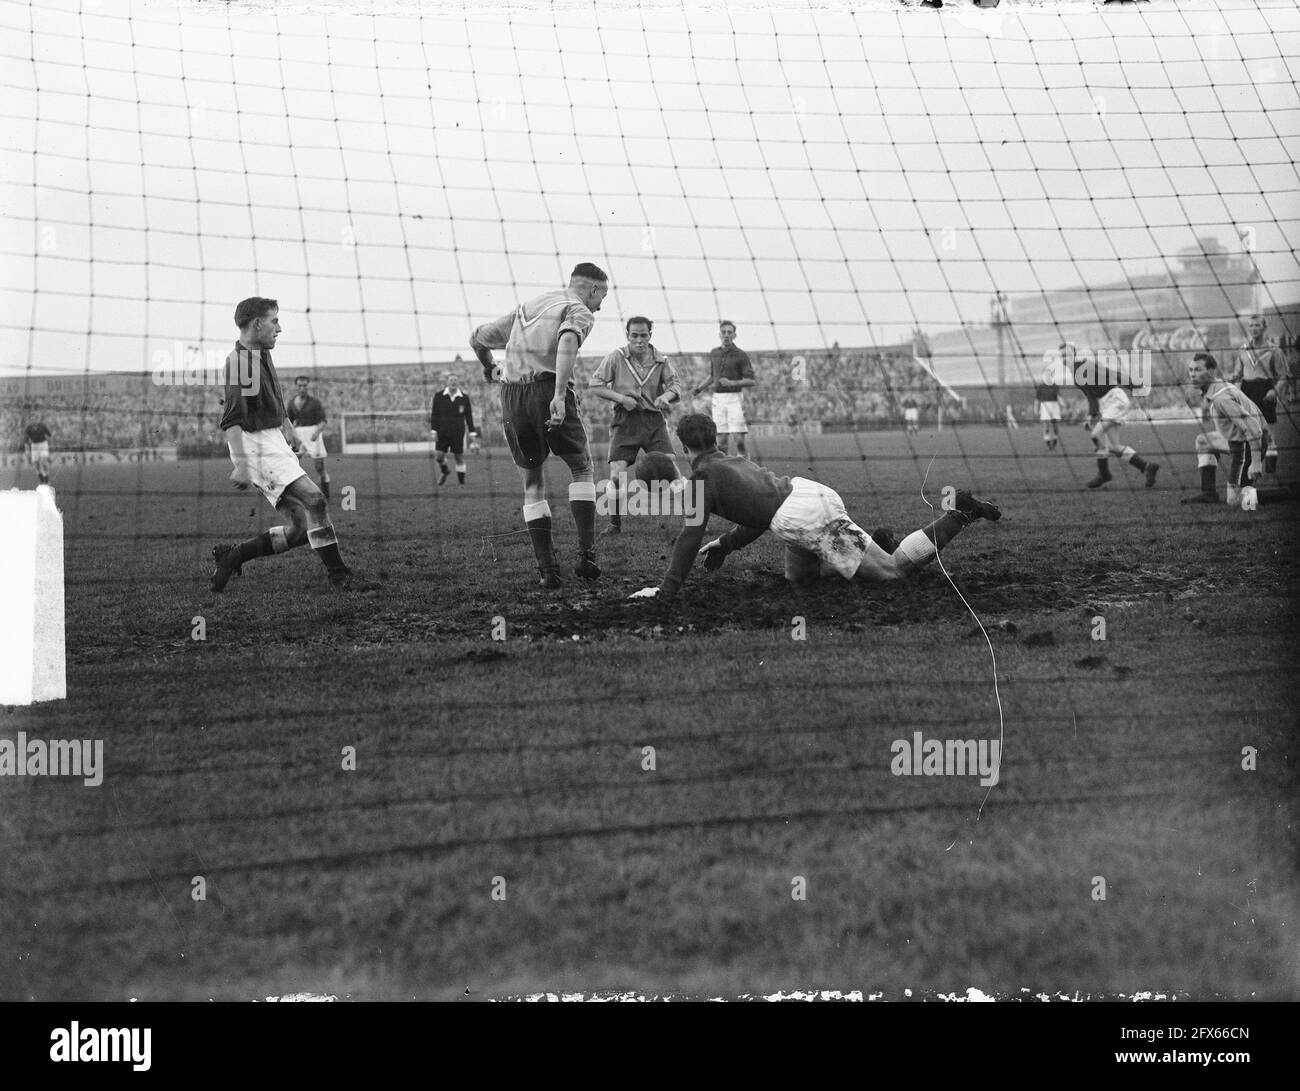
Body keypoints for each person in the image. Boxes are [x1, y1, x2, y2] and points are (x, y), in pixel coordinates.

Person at [629, 413, 1001, 599]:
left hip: (803, 516)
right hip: (801, 500)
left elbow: (688, 538)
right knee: (801, 581)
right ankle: (875, 545)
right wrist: (726, 546)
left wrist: (666, 590)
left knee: (892, 574)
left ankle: (960, 515)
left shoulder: (700, 479)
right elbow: (759, 515)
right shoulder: (729, 462)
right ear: (715, 437)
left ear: (682, 447)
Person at [469, 263, 608, 588]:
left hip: (512, 398)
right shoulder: (578, 309)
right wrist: (559, 396)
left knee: (532, 484)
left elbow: (477, 337)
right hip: (547, 388)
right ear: (593, 289)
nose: (601, 304)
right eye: (602, 296)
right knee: (582, 469)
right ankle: (586, 556)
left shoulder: (527, 308)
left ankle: (548, 571)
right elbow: (567, 343)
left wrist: (490, 367)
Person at [209, 298, 356, 591]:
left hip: (272, 437)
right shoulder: (240, 364)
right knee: (316, 500)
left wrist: (288, 429)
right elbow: (232, 420)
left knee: (300, 528)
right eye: (274, 321)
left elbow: (275, 393)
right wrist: (241, 463)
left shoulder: (261, 353)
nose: (280, 328)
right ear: (257, 324)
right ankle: (339, 576)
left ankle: (232, 556)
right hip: (253, 445)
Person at [586, 316, 682, 533]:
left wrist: (665, 397)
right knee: (615, 474)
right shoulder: (616, 357)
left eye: (644, 335)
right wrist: (622, 399)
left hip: (653, 421)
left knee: (671, 466)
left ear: (650, 335)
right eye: (634, 335)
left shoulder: (661, 360)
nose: (639, 340)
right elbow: (595, 384)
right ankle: (614, 523)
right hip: (625, 420)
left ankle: (693, 519)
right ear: (627, 335)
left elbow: (676, 385)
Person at [1066, 342, 1160, 490]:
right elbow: (1091, 397)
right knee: (1114, 447)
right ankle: (1147, 467)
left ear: (1074, 354)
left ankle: (1104, 474)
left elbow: (1112, 373)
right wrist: (1091, 416)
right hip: (1108, 403)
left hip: (1115, 399)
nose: (1064, 357)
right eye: (1062, 355)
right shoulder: (1075, 374)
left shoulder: (1085, 365)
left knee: (1096, 435)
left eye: (1067, 354)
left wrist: (1136, 386)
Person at [1181, 352, 1265, 506]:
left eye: (1198, 370)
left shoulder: (1221, 398)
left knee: (1239, 502)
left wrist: (1256, 462)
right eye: (1191, 370)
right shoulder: (1216, 388)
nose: (1192, 374)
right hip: (1237, 441)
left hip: (1252, 444)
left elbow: (1253, 427)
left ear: (1211, 371)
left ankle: (1288, 493)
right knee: (1204, 441)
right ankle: (1209, 493)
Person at [1228, 314, 1286, 475]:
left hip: (1265, 390)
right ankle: (1251, 465)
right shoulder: (1243, 350)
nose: (1254, 328)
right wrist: (1234, 389)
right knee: (1247, 430)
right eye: (1251, 326)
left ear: (1264, 327)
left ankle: (1271, 469)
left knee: (1267, 431)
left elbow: (1283, 376)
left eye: (1257, 325)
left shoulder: (1274, 350)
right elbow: (1237, 374)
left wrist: (1274, 391)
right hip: (1246, 391)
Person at [692, 320, 755, 456]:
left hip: (735, 399)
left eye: (729, 332)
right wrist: (699, 388)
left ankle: (744, 464)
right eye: (724, 332)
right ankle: (725, 469)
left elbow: (751, 380)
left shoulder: (741, 354)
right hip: (718, 399)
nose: (726, 335)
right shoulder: (714, 353)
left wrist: (732, 383)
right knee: (721, 442)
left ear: (734, 335)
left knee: (739, 440)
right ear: (719, 334)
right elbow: (712, 375)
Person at [429, 371, 479, 486]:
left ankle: (461, 484)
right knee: (439, 456)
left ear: (458, 382)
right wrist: (434, 431)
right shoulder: (438, 396)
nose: (453, 382)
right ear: (447, 382)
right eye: (451, 380)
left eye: (455, 380)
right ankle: (445, 471)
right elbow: (434, 414)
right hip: (442, 432)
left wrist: (472, 434)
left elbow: (469, 416)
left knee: (458, 457)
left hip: (457, 432)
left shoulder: (464, 398)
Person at [286, 375, 330, 500]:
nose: (302, 388)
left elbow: (323, 421)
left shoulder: (315, 403)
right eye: (299, 385)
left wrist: (317, 432)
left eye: (304, 385)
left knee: (320, 467)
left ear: (308, 386)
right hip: (298, 434)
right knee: (291, 463)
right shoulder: (291, 403)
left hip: (313, 434)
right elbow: (288, 422)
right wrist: (289, 435)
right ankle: (294, 494)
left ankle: (326, 495)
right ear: (296, 387)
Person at [1035, 364, 1062, 451]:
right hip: (1044, 407)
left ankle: (1054, 445)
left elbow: (1058, 397)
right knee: (1046, 426)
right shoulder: (1040, 387)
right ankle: (1048, 445)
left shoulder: (1055, 386)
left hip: (1054, 406)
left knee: (1055, 426)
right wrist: (1036, 408)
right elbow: (1037, 399)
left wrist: (1063, 404)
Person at [23, 414, 52, 485]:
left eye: (35, 419)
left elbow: (50, 435)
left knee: (43, 461)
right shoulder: (28, 428)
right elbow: (26, 440)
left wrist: (50, 445)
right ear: (31, 420)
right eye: (32, 419)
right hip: (34, 446)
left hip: (43, 444)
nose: (34, 420)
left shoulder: (43, 426)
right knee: (36, 464)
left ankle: (46, 479)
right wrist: (27, 450)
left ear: (38, 419)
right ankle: (41, 480)